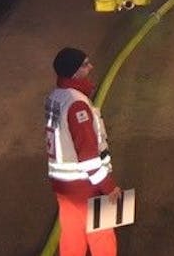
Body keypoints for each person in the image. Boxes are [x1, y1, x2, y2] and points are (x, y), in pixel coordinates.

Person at [46, 47, 119, 256]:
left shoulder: (56, 97)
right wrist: (108, 186)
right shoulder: (77, 104)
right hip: (85, 186)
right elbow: (88, 156)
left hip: (63, 185)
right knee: (101, 236)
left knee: (71, 236)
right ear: (75, 72)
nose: (91, 67)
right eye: (86, 64)